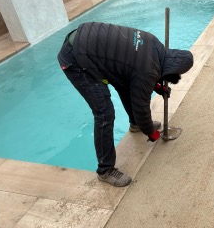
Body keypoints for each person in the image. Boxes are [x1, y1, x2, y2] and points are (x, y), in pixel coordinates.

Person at [58, 22, 194, 187]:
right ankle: (105, 170)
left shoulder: (155, 44)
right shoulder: (148, 71)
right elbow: (141, 107)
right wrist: (150, 132)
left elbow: (135, 74)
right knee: (104, 113)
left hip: (86, 40)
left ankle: (135, 125)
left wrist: (157, 87)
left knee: (124, 83)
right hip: (76, 60)